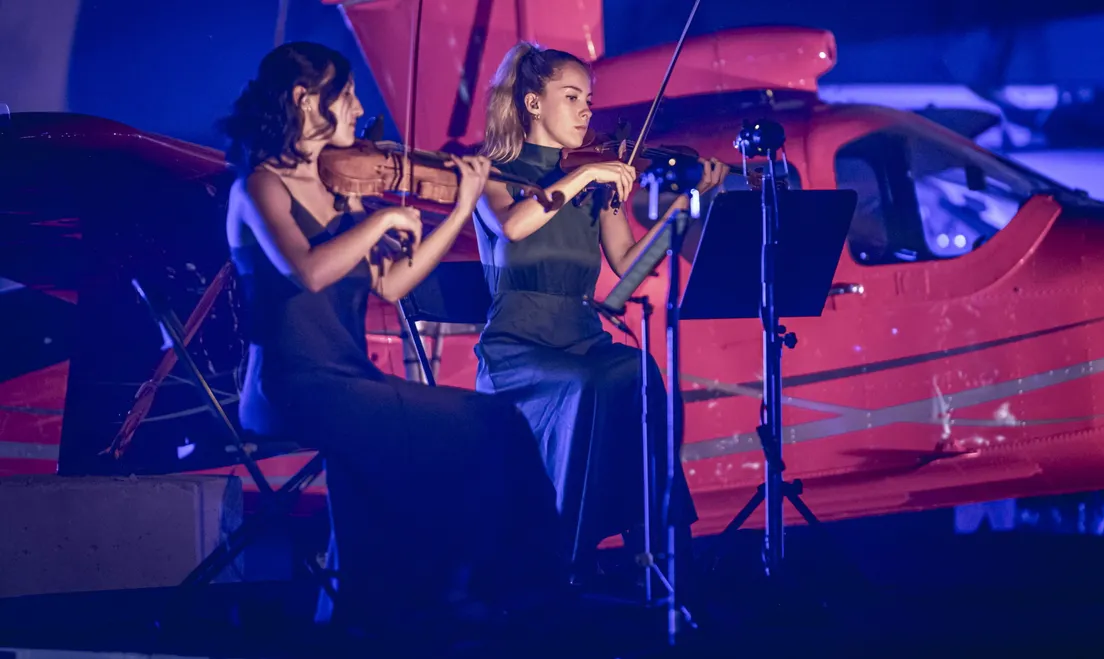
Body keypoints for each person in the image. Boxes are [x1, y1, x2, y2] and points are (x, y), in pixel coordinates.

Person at [219, 41, 565, 645]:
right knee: (478, 426)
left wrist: (460, 208)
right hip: (291, 385)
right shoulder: (259, 188)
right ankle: (468, 590)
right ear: (305, 101)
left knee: (483, 423)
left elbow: (393, 280)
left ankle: (414, 603)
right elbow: (308, 271)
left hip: (350, 380)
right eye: (346, 94)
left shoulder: (342, 185)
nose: (358, 109)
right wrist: (377, 221)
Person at [472, 41, 728, 582]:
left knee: (639, 373)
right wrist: (584, 178)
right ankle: (566, 553)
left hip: (582, 335)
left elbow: (630, 268)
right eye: (572, 97)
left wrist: (685, 205)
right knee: (586, 385)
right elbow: (513, 228)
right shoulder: (490, 171)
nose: (587, 110)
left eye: (588, 98)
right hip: (517, 346)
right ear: (534, 103)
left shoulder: (599, 181)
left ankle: (655, 543)